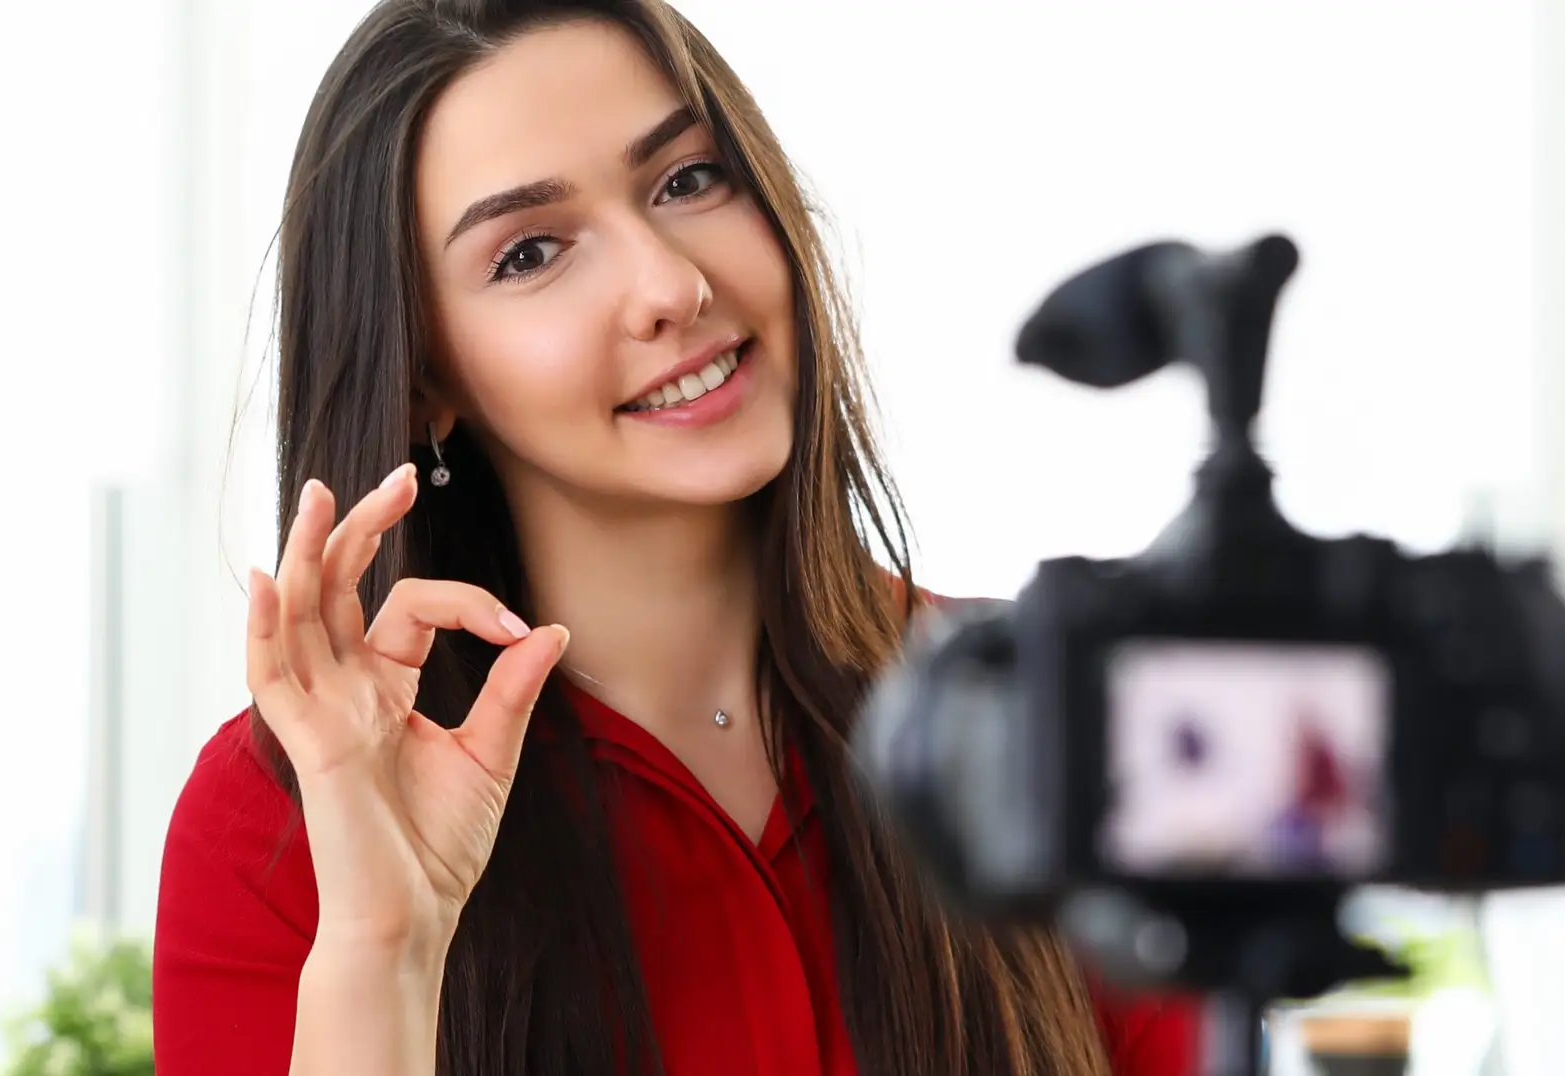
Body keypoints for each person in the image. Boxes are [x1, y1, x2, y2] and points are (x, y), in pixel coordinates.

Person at [152, 1, 1199, 1073]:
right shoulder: (282, 820)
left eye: (687, 180)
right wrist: (384, 948)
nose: (672, 286)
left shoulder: (1043, 705)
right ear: (425, 374)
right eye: (532, 252)